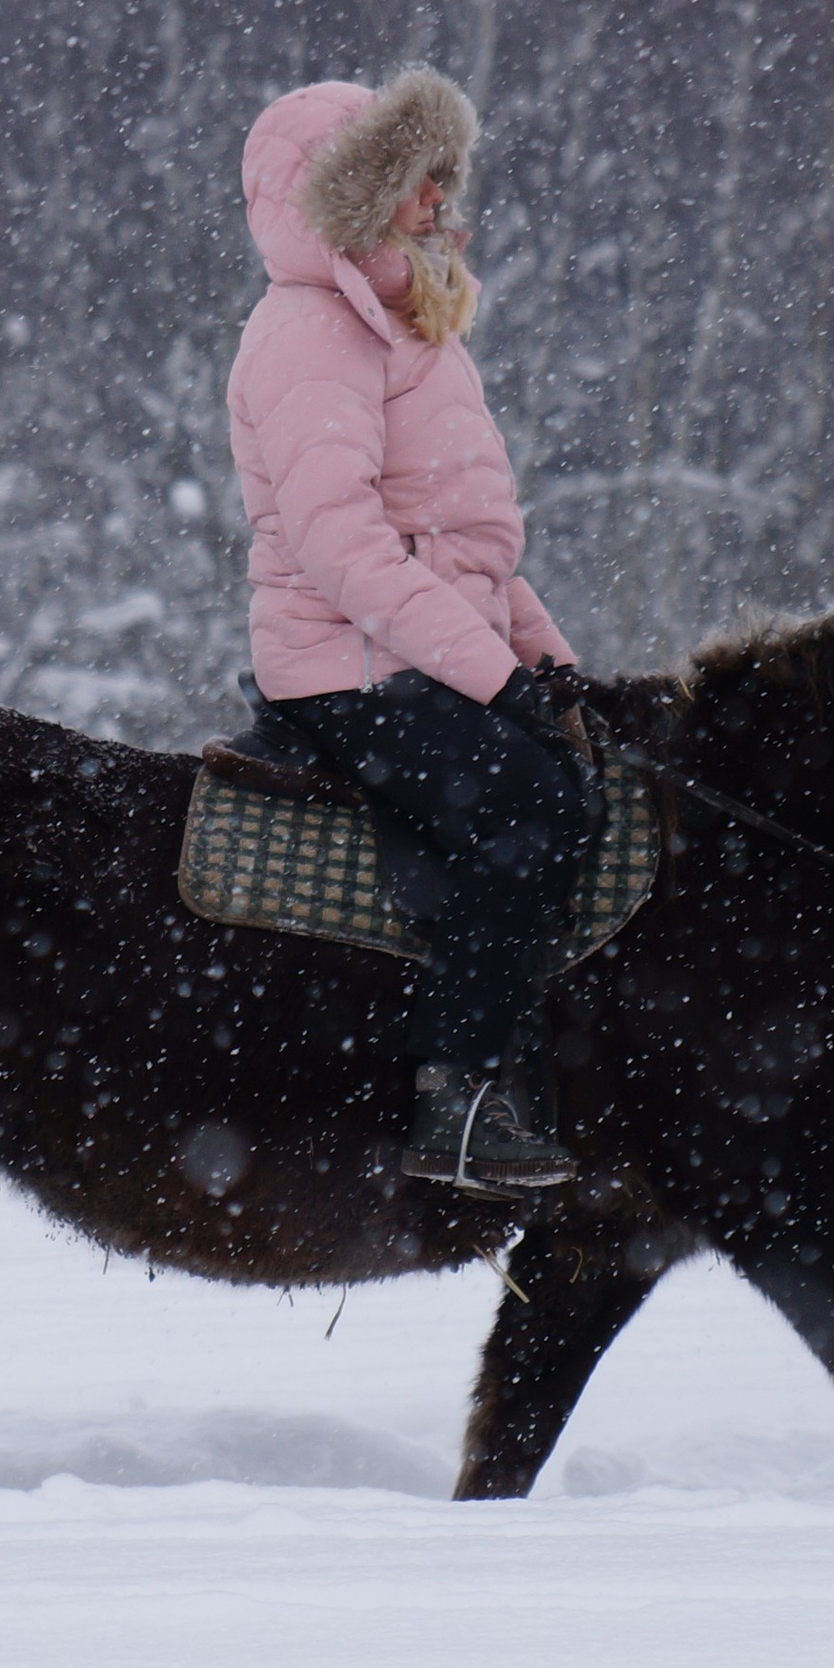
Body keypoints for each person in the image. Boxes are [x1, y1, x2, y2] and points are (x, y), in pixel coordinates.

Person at [227, 70, 593, 1199]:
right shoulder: (311, 331)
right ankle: (464, 1096)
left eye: (443, 173)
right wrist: (494, 681)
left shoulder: (405, 326)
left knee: (589, 770)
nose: (441, 195)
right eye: (416, 176)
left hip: (408, 653)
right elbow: (346, 548)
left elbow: (468, 552)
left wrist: (553, 665)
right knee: (530, 803)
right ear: (357, 194)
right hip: (346, 671)